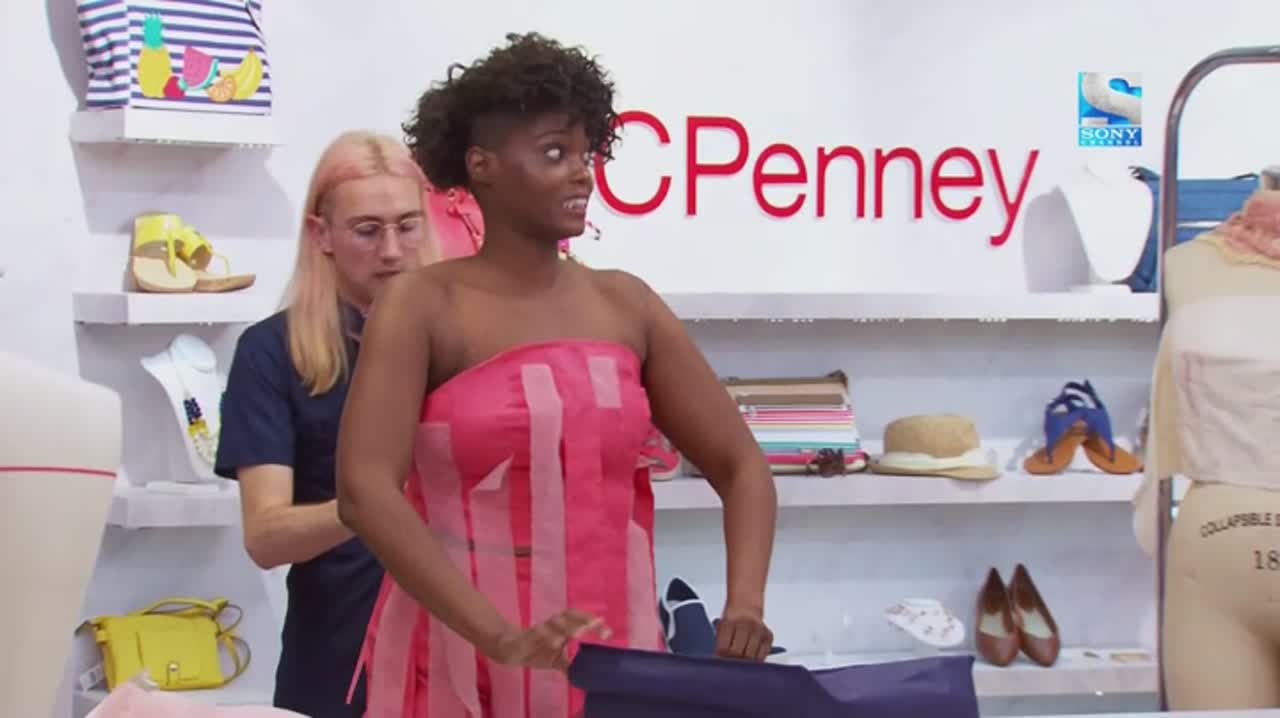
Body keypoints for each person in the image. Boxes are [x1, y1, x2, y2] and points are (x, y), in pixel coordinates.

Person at [335, 32, 779, 717]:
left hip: (614, 659)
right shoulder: (422, 305)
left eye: (585, 154)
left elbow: (741, 464)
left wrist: (744, 602)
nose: (582, 174)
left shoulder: (626, 304)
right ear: (481, 165)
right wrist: (496, 635)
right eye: (553, 153)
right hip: (459, 659)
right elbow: (364, 490)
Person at [215, 130, 447, 718]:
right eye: (367, 230)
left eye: (407, 226)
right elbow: (266, 536)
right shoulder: (272, 353)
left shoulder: (468, 341)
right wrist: (375, 503)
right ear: (321, 234)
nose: (392, 250)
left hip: (463, 655)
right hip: (337, 663)